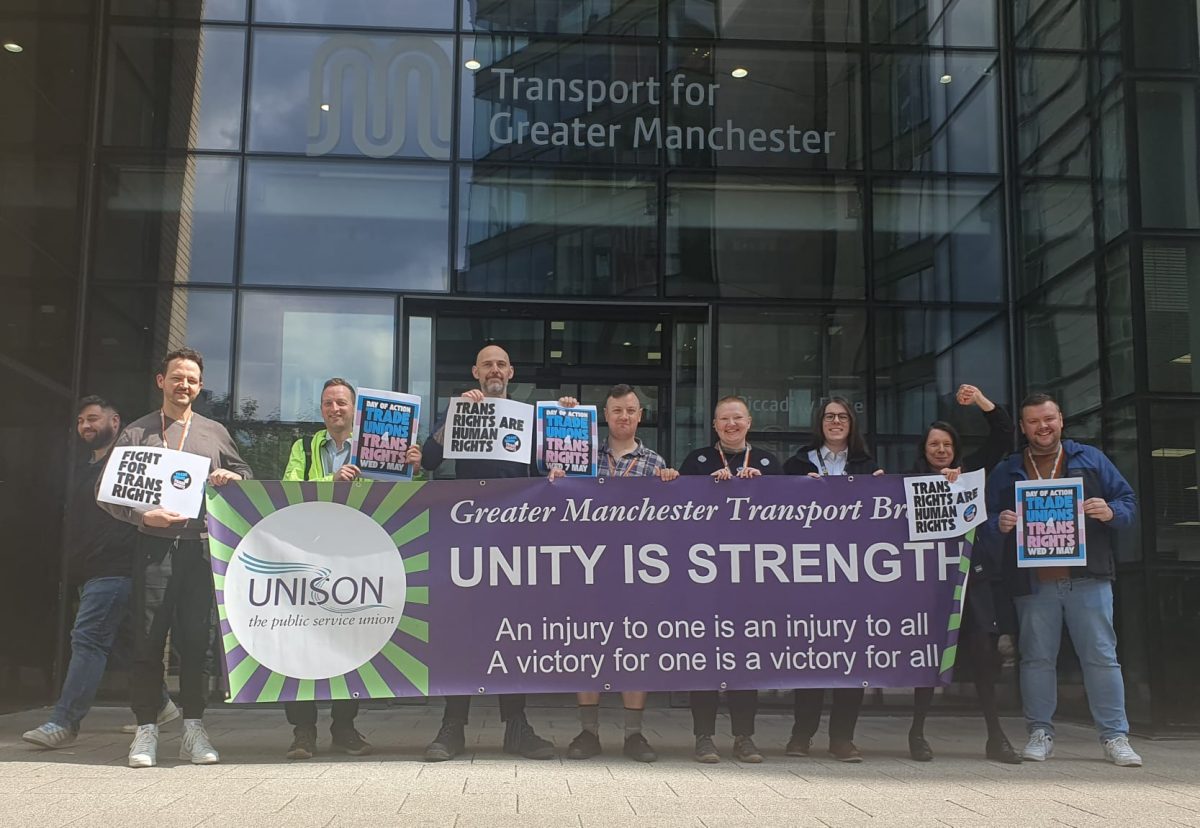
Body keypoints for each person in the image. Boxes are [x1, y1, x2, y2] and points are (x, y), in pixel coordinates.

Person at [99, 348, 252, 768]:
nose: (185, 385)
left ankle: (194, 729)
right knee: (149, 642)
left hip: (201, 547)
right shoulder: (137, 432)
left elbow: (248, 476)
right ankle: (146, 730)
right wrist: (141, 513)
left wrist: (231, 476)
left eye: (192, 380)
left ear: (200, 387)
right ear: (161, 381)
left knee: (196, 642)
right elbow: (106, 491)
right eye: (178, 377)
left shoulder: (214, 432)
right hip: (154, 546)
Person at [986, 392, 1142, 767]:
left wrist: (1109, 511)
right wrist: (999, 525)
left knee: (1102, 658)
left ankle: (1115, 737)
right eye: (1034, 422)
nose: (1043, 427)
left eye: (1049, 419)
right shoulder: (1007, 469)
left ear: (1061, 420)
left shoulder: (1092, 459)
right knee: (1037, 660)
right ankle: (1040, 732)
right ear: (1023, 427)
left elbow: (1128, 503)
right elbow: (983, 519)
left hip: (1088, 577)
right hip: (1034, 583)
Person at [419, 344, 555, 762]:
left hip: (514, 539)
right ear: (475, 372)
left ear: (510, 372)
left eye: (501, 364)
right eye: (487, 365)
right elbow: (428, 460)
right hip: (467, 538)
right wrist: (454, 416)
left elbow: (549, 468)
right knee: (461, 631)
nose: (494, 370)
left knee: (512, 633)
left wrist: (565, 422)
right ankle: (452, 727)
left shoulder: (530, 419)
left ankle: (517, 727)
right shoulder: (462, 411)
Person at [277, 378, 422, 760]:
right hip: (309, 557)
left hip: (356, 555)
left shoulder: (379, 445)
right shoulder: (302, 447)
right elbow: (289, 489)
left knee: (349, 643)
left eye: (342, 403)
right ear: (321, 409)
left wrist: (414, 468)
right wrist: (330, 481)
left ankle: (344, 727)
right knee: (302, 643)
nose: (335, 409)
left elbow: (403, 495)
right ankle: (303, 731)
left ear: (355, 410)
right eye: (328, 403)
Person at [23, 397, 179, 748]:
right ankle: (163, 704)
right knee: (126, 642)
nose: (86, 426)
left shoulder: (131, 464)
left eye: (93, 418)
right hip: (90, 569)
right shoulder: (84, 467)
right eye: (80, 421)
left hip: (117, 567)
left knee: (88, 638)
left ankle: (63, 721)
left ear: (115, 421)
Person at [549, 385, 679, 763]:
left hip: (636, 571)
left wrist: (673, 485)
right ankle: (588, 733)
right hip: (587, 568)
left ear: (641, 415)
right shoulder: (580, 458)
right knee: (588, 645)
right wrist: (557, 477)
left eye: (631, 410)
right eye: (617, 410)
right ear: (605, 416)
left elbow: (667, 521)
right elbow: (557, 502)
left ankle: (634, 736)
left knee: (635, 649)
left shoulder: (656, 464)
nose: (624, 416)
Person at [906, 384, 1021, 764]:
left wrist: (983, 402)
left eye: (947, 445)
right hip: (929, 585)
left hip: (972, 582)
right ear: (924, 449)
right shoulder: (908, 484)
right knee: (930, 659)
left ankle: (996, 737)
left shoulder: (970, 474)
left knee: (983, 655)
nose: (940, 450)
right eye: (934, 444)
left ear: (955, 450)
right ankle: (917, 733)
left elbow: (1004, 435)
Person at [678, 395, 781, 763]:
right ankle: (703, 736)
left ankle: (744, 737)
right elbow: (679, 511)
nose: (731, 425)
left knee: (745, 661)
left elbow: (788, 514)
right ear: (715, 425)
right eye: (724, 419)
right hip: (706, 579)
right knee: (705, 661)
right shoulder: (697, 461)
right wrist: (706, 486)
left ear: (749, 422)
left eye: (737, 418)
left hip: (751, 579)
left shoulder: (769, 462)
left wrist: (763, 486)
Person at [783, 397, 883, 763]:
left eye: (842, 416)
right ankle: (801, 735)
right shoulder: (797, 463)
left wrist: (880, 491)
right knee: (809, 659)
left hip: (853, 576)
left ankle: (842, 738)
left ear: (851, 423)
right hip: (808, 574)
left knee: (850, 660)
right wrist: (794, 487)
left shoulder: (867, 466)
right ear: (819, 423)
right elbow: (772, 515)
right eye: (829, 416)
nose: (836, 422)